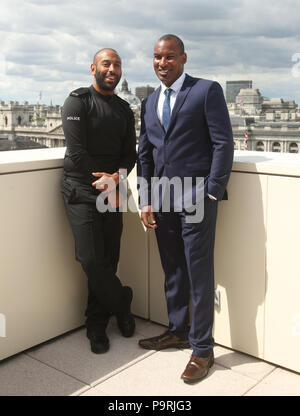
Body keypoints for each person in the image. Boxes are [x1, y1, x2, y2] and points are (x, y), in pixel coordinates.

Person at [137, 34, 234, 382]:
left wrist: (211, 192)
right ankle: (178, 330)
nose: (162, 63)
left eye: (169, 57)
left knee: (198, 272)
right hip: (162, 199)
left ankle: (203, 349)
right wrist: (145, 197)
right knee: (173, 268)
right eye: (157, 57)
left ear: (183, 58)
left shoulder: (206, 91)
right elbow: (145, 153)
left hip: (196, 199)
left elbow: (224, 143)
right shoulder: (148, 101)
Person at [61, 48, 137, 354]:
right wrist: (104, 179)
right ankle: (122, 302)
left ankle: (96, 326)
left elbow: (129, 155)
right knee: (90, 260)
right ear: (93, 67)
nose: (112, 69)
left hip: (113, 191)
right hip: (81, 190)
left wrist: (115, 178)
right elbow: (76, 151)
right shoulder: (77, 101)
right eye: (107, 63)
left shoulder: (124, 110)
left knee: (108, 260)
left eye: (117, 65)